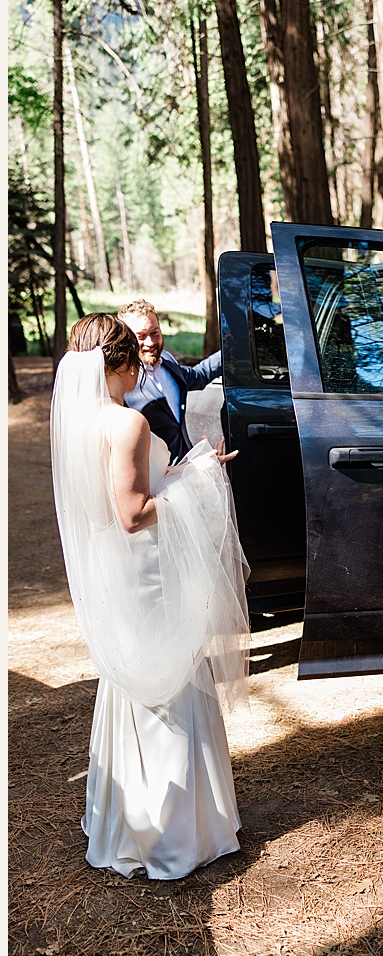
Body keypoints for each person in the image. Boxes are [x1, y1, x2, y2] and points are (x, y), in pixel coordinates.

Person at [54, 313, 248, 880]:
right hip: (146, 576)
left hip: (114, 572)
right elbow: (135, 513)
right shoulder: (128, 424)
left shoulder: (76, 423)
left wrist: (185, 469)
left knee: (133, 684)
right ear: (120, 362)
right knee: (169, 683)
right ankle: (174, 835)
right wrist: (200, 477)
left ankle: (125, 819)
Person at [117, 299, 224, 459]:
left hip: (184, 469)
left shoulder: (167, 360)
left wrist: (231, 349)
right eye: (141, 336)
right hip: (152, 477)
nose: (150, 342)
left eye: (155, 333)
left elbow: (199, 376)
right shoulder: (121, 383)